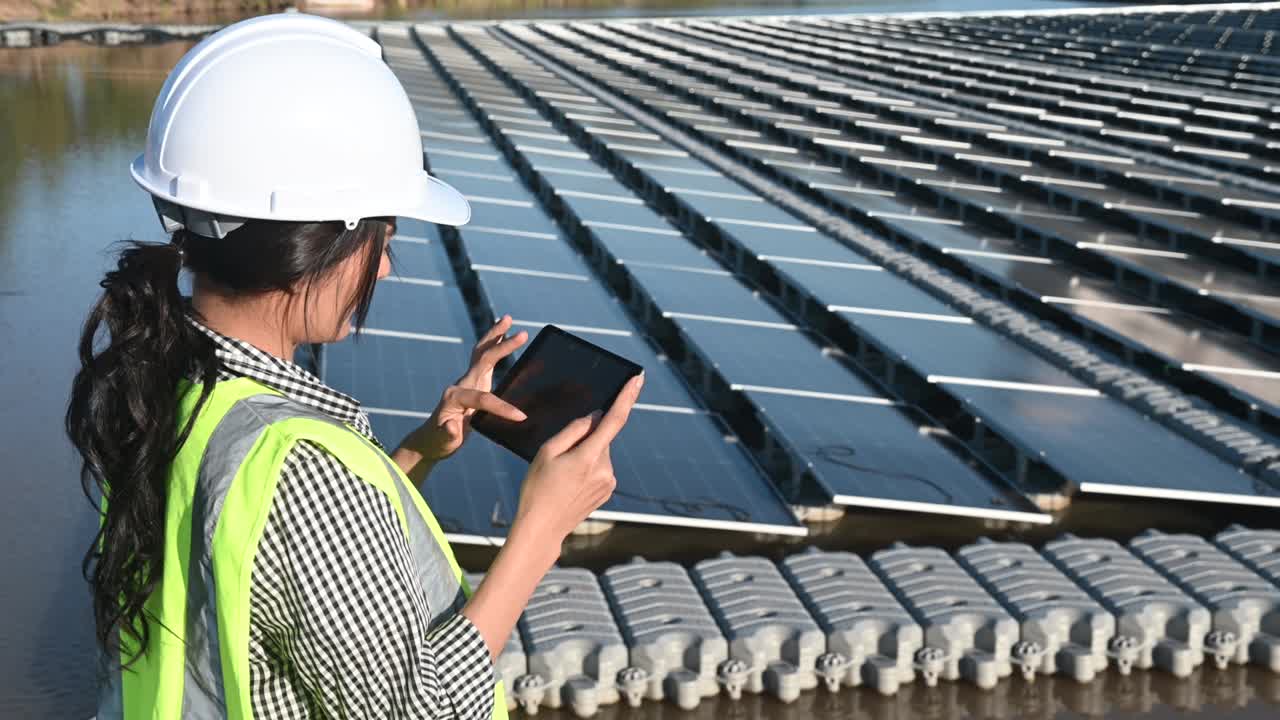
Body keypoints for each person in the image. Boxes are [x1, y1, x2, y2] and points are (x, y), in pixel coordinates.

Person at [65, 12, 642, 719]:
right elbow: (426, 707)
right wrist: (543, 527)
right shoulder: (305, 471)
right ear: (315, 240)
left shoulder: (167, 383)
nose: (389, 264)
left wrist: (421, 449)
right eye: (383, 237)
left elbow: (280, 564)